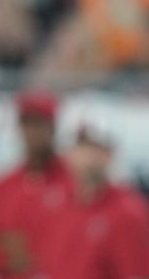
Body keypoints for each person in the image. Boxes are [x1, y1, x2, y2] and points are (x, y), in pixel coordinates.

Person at [0, 90, 74, 278]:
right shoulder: (3, 186)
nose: (33, 132)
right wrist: (4, 258)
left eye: (40, 124)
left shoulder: (73, 182)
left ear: (53, 127)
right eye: (27, 124)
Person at [40, 119, 149, 279]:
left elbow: (136, 273)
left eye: (95, 148)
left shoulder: (127, 211)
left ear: (109, 154)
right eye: (81, 147)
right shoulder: (58, 203)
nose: (87, 156)